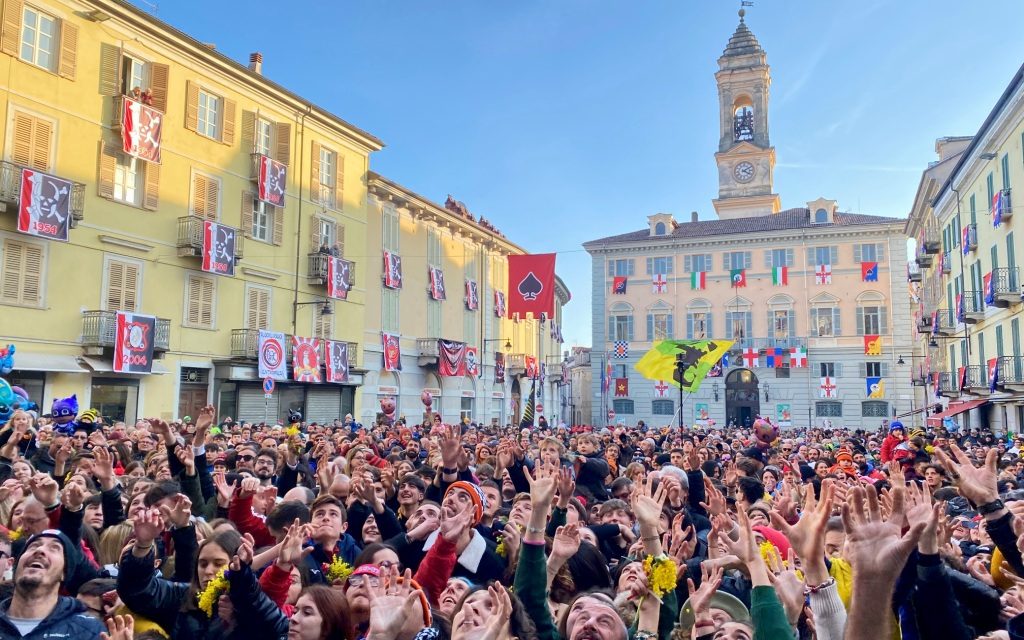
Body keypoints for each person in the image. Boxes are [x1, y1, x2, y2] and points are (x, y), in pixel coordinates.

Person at [0, 529, 106, 639]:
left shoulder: (89, 631)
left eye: (54, 548)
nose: (40, 550)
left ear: (64, 572)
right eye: (33, 546)